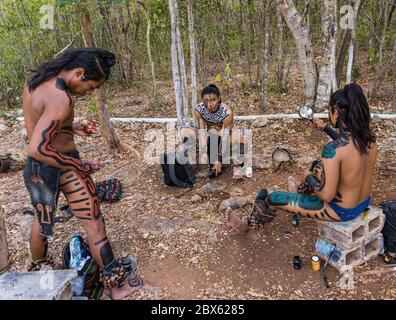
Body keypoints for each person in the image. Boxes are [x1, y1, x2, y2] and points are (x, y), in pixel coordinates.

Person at [22, 48, 143, 299]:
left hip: (36, 171)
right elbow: (38, 147)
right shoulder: (61, 98)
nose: (89, 92)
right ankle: (117, 286)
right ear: (79, 73)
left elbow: (41, 126)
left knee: (41, 221)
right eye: (90, 87)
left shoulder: (37, 82)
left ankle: (40, 269)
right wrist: (79, 165)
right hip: (61, 166)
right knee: (94, 222)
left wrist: (72, 128)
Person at [227, 83, 377, 234]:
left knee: (273, 198)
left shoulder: (332, 150)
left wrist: (308, 177)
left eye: (330, 110)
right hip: (362, 203)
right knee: (318, 166)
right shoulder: (369, 140)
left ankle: (245, 226)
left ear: (336, 113)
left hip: (341, 211)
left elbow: (327, 195)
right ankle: (299, 192)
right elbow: (347, 144)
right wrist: (325, 128)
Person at [181, 84, 247, 178]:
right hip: (207, 135)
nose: (210, 104)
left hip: (222, 136)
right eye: (206, 101)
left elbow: (225, 136)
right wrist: (203, 151)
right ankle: (190, 164)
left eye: (213, 100)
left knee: (241, 137)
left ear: (219, 98)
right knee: (185, 131)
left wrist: (219, 159)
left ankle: (230, 162)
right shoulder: (199, 109)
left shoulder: (227, 113)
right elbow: (202, 131)